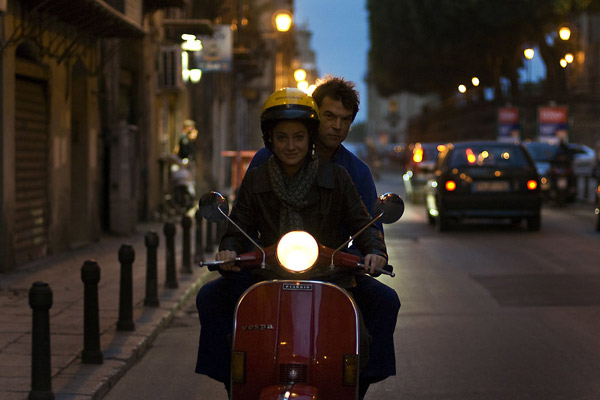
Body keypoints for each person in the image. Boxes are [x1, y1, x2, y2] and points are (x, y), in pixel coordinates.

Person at [195, 88, 397, 399]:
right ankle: (235, 380)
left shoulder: (342, 175)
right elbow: (239, 224)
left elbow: (364, 221)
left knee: (386, 302)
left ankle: (354, 384)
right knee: (209, 297)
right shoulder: (258, 176)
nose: (291, 145)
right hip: (268, 270)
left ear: (309, 137)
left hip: (330, 272)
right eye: (283, 138)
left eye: (299, 138)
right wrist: (229, 250)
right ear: (271, 139)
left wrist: (375, 253)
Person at [247, 76, 382, 234]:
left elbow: (370, 230)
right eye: (330, 116)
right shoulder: (267, 158)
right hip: (271, 255)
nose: (337, 126)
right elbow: (244, 222)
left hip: (333, 256)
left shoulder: (358, 172)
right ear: (315, 115)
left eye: (345, 119)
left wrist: (368, 254)